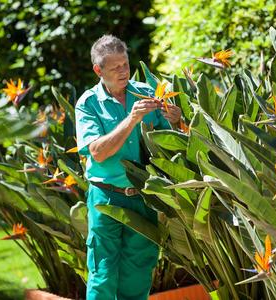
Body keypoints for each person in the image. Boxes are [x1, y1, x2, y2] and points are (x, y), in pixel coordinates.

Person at [75, 34, 181, 300]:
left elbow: (167, 142)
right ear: (99, 70)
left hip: (142, 197)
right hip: (105, 196)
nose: (124, 71)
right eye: (115, 67)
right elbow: (97, 152)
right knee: (103, 274)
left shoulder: (146, 93)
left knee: (138, 274)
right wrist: (132, 119)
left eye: (125, 64)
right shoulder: (88, 104)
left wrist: (176, 121)